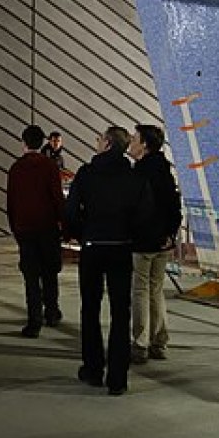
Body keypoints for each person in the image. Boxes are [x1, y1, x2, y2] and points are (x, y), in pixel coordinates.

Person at [65, 125, 154, 396]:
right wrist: (130, 237)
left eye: (99, 138)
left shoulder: (87, 174)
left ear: (106, 144)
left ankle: (93, 369)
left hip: (93, 247)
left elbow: (70, 211)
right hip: (121, 248)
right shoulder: (134, 177)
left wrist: (82, 234)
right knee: (120, 312)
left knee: (90, 309)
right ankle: (118, 377)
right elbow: (145, 216)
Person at [129, 124, 183, 364]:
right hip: (163, 241)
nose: (131, 142)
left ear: (145, 145)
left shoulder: (140, 172)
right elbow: (174, 205)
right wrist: (170, 233)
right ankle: (159, 341)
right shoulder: (165, 171)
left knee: (140, 290)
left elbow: (134, 208)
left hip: (143, 241)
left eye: (135, 139)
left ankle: (140, 343)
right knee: (156, 289)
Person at [6, 124, 66, 338]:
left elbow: (11, 201)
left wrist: (15, 228)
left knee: (31, 276)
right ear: (43, 142)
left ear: (23, 143)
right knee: (50, 272)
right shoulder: (49, 166)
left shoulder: (16, 168)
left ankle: (34, 321)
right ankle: (52, 312)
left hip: (25, 229)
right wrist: (63, 223)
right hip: (47, 227)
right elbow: (57, 197)